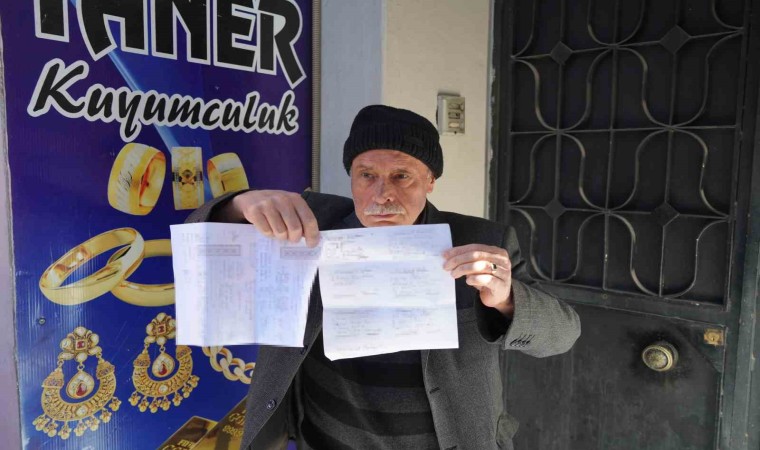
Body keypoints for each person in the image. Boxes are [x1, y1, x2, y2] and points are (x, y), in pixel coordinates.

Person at [187, 105, 581, 450]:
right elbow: (199, 240)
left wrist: (507, 299)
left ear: (430, 181)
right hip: (327, 439)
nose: (382, 194)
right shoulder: (313, 223)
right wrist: (237, 205)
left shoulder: (481, 241)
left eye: (401, 176)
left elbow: (563, 334)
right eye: (366, 175)